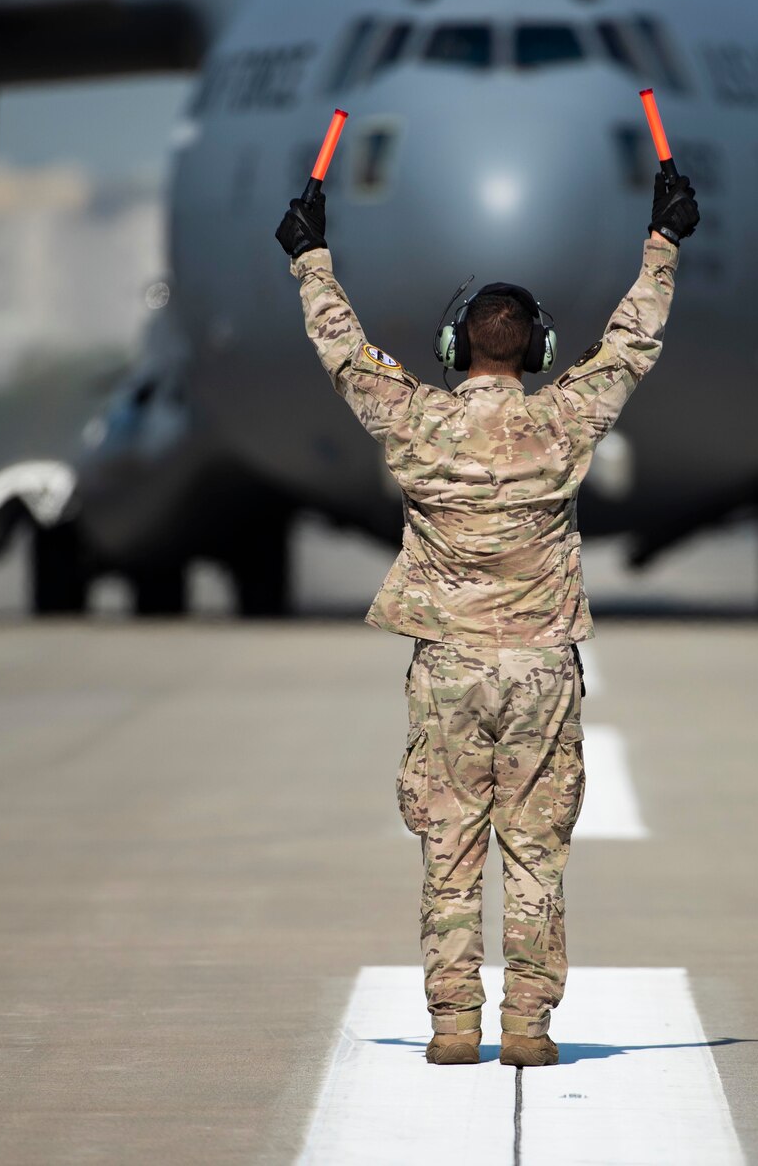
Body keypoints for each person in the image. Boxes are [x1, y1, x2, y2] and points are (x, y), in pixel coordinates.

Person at [275, 168, 699, 1067]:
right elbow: (630, 347)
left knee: (450, 845)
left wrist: (310, 255)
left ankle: (452, 1023)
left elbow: (344, 353)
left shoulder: (416, 425)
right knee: (536, 852)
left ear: (451, 346)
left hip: (449, 670)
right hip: (542, 667)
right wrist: (664, 241)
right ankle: (529, 1028)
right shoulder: (564, 423)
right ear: (538, 349)